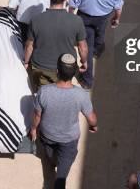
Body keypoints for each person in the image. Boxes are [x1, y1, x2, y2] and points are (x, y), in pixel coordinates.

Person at [30, 54, 98, 189]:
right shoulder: (81, 95)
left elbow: (37, 115)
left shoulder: (44, 92)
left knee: (50, 156)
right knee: (63, 172)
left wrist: (33, 129)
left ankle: (54, 161)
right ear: (74, 73)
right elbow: (92, 119)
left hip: (47, 135)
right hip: (69, 140)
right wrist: (93, 126)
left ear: (57, 71)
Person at [68, 0, 123, 90]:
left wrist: (69, 17)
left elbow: (73, 4)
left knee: (86, 46)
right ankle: (98, 50)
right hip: (104, 16)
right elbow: (118, 7)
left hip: (84, 17)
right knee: (101, 32)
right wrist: (116, 19)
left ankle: (87, 79)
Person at [24, 0, 88, 91]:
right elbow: (83, 47)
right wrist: (84, 61)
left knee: (42, 94)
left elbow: (29, 46)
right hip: (66, 69)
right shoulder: (76, 21)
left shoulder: (36, 20)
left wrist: (26, 62)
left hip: (40, 68)